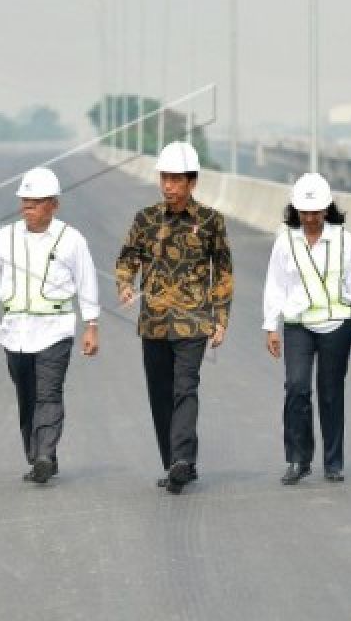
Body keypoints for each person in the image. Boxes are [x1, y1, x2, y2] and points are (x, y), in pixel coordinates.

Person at [0, 166, 100, 484]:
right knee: (27, 394)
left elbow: (87, 281)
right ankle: (36, 456)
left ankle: (45, 455)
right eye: (24, 202)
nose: (28, 209)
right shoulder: (5, 238)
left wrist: (91, 324)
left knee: (48, 393)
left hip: (55, 328)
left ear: (53, 205)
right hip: (16, 331)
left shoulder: (71, 240)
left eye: (35, 202)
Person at [116, 141, 233, 494]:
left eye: (176, 179)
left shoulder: (211, 222)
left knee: (186, 388)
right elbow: (127, 259)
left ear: (192, 182)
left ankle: (182, 459)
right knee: (160, 395)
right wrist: (124, 283)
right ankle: (175, 465)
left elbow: (223, 272)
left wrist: (220, 318)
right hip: (152, 322)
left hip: (193, 321)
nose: (168, 185)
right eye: (164, 178)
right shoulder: (145, 219)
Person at [262, 173, 351, 485]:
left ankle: (334, 462)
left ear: (327, 210)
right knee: (296, 388)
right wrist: (271, 326)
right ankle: (298, 459)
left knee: (330, 392)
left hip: (337, 326)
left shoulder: (346, 242)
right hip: (298, 326)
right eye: (304, 212)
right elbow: (276, 285)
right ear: (295, 210)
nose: (310, 218)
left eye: (316, 212)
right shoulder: (285, 241)